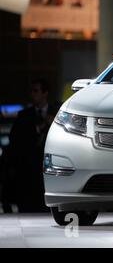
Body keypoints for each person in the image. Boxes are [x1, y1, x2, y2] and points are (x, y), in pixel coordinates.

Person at [8, 79, 58, 212]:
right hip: (28, 169)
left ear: (45, 93)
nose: (32, 94)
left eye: (36, 91)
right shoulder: (24, 115)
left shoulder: (57, 112)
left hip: (48, 166)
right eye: (31, 91)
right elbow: (14, 140)